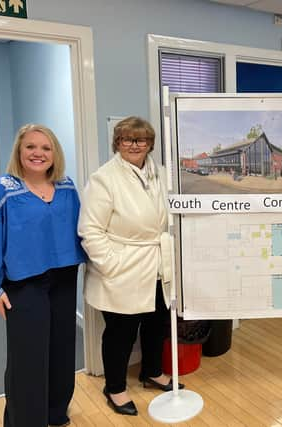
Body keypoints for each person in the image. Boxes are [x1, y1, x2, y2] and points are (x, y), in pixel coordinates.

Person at [0, 124, 85, 427]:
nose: (38, 153)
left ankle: (56, 412)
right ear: (19, 151)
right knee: (27, 358)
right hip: (23, 283)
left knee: (61, 349)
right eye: (30, 146)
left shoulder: (67, 187)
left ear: (54, 153)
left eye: (45, 148)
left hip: (63, 277)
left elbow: (81, 231)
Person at [78, 116, 182, 417]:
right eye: (127, 139)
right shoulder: (104, 179)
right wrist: (113, 264)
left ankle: (151, 371)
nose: (134, 145)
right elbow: (90, 230)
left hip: (158, 264)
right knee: (120, 333)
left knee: (156, 323)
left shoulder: (162, 174)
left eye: (141, 140)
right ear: (117, 143)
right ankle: (114, 387)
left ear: (150, 143)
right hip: (122, 268)